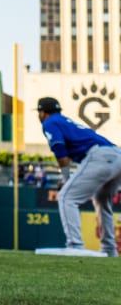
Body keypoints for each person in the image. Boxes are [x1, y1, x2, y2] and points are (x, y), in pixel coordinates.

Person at [37, 97, 121, 256]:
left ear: (43, 112)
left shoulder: (49, 122)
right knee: (102, 200)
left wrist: (65, 179)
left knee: (66, 197)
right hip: (117, 155)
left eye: (39, 112)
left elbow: (60, 152)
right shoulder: (64, 120)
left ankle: (75, 245)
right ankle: (110, 250)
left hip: (100, 155)